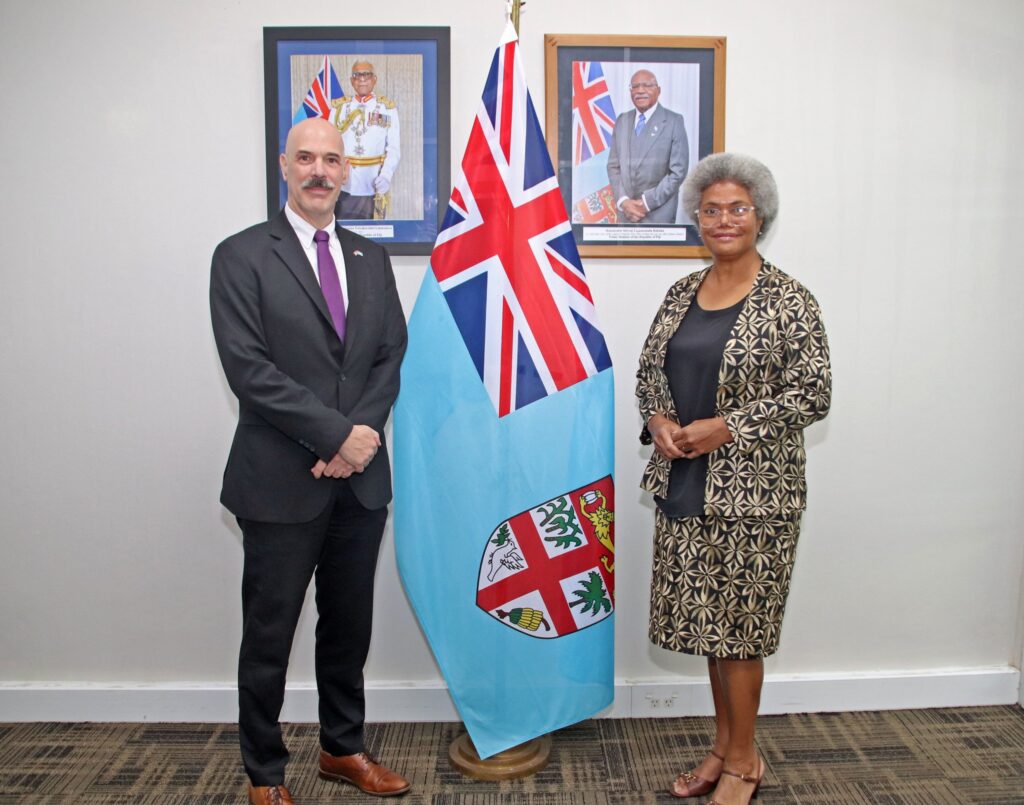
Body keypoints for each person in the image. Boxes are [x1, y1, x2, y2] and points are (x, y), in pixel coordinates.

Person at [210, 117, 409, 804]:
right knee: (269, 633)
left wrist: (358, 440)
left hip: (361, 483)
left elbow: (389, 356)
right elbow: (249, 369)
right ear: (284, 165)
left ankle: (341, 748)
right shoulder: (241, 256)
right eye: (306, 158)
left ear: (346, 171)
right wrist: (334, 438)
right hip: (278, 481)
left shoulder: (370, 258)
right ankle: (264, 773)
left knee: (348, 627)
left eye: (331, 159)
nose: (319, 171)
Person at [635, 153, 831, 804]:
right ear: (698, 218)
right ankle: (723, 747)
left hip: (756, 495)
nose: (724, 219)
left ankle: (745, 761)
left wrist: (730, 426)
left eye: (737, 208)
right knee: (711, 629)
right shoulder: (679, 294)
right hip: (684, 484)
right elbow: (649, 373)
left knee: (741, 632)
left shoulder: (789, 299)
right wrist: (659, 418)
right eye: (712, 209)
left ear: (760, 217)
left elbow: (813, 393)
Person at [606, 69, 689, 224]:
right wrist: (624, 201)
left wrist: (646, 203)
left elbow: (678, 172)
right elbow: (613, 166)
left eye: (647, 85)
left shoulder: (673, 121)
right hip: (626, 216)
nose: (640, 90)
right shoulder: (622, 121)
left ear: (659, 90)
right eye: (635, 86)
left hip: (658, 216)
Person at [331, 61, 401, 220]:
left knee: (373, 233)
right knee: (341, 232)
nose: (362, 79)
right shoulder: (339, 108)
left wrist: (386, 175)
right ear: (351, 81)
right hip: (344, 186)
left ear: (374, 79)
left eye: (367, 74)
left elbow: (394, 149)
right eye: (357, 75)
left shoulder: (387, 108)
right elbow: (329, 147)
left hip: (373, 185)